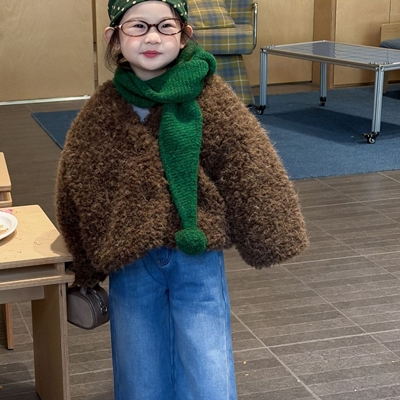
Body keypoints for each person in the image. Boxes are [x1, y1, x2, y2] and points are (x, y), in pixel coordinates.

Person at [55, 1, 309, 399]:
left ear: (184, 34)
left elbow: (245, 159)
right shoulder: (102, 109)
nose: (152, 37)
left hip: (196, 253)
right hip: (131, 256)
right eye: (138, 26)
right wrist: (83, 262)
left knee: (207, 356)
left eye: (165, 26)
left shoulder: (209, 96)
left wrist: (271, 233)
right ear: (114, 38)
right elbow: (80, 180)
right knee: (138, 359)